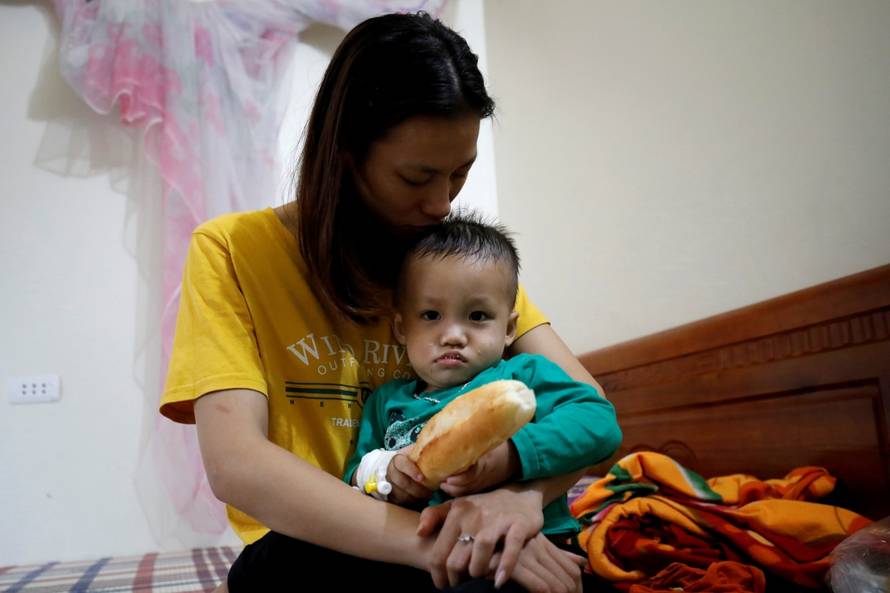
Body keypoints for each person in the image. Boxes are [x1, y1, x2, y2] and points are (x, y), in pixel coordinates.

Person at [160, 11, 608, 593]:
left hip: (473, 514)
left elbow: (590, 406)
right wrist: (453, 539)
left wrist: (519, 501)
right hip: (330, 538)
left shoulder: (454, 269)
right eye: (417, 177)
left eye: (460, 174)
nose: (442, 203)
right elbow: (237, 464)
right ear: (345, 152)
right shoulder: (232, 251)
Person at [345, 214, 622, 547]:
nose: (453, 335)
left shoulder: (522, 374)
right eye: (431, 316)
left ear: (508, 330)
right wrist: (385, 472)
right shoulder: (387, 401)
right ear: (402, 329)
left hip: (533, 543)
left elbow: (599, 421)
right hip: (424, 550)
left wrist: (511, 456)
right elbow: (355, 473)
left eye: (477, 317)